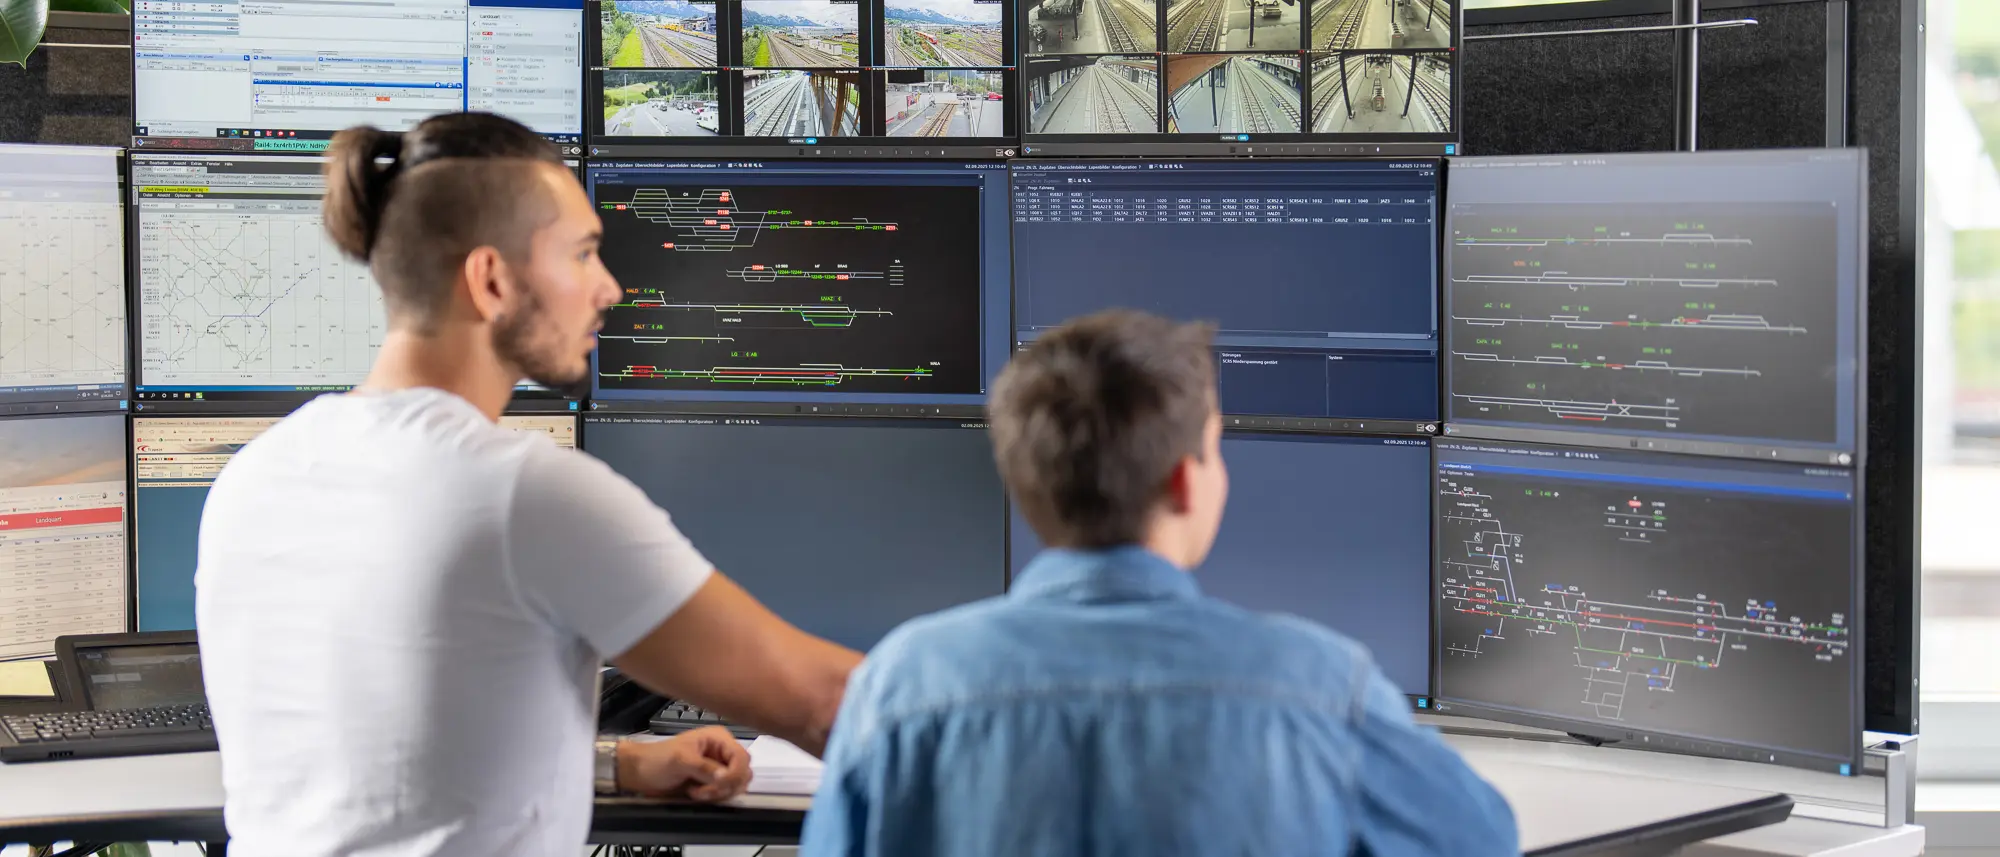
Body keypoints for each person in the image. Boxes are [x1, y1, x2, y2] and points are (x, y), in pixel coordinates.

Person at [195, 113, 862, 857]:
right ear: (490, 280)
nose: (607, 288)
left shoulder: (253, 476)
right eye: (582, 254)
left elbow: (378, 755)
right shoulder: (525, 493)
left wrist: (617, 762)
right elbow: (827, 702)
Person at [801, 310, 1519, 856]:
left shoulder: (898, 690)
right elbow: (1484, 837)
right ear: (1185, 480)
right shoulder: (1324, 690)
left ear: (1024, 484)